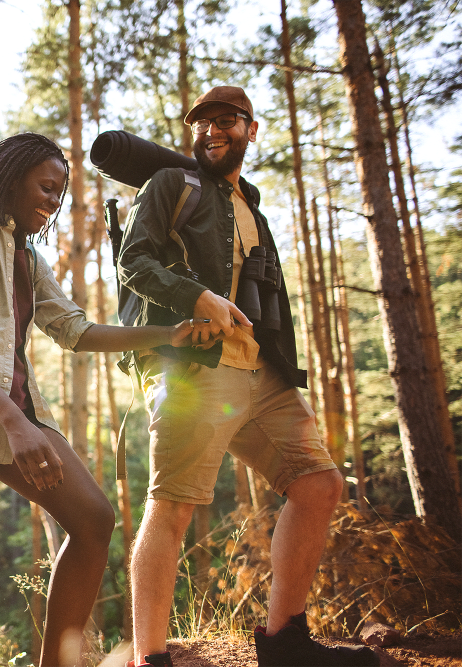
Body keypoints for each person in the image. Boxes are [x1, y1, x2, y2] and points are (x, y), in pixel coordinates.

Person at [0, 132, 194, 667]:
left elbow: (75, 330)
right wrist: (16, 426)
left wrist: (167, 336)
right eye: (46, 187)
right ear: (11, 180)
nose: (53, 201)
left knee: (93, 521)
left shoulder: (25, 258)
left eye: (59, 193)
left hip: (17, 413)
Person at [116, 87, 379, 667]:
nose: (212, 130)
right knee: (174, 505)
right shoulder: (169, 186)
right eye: (202, 122)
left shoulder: (251, 207)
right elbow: (132, 261)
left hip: (261, 370)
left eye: (226, 120)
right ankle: (151, 658)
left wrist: (282, 360)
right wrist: (195, 298)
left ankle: (285, 641)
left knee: (318, 484)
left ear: (251, 130)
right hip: (194, 368)